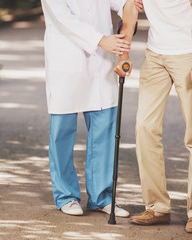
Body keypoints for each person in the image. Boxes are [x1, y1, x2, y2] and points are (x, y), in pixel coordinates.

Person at [115, 0, 192, 234]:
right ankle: (157, 207)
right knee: (145, 128)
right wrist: (123, 55)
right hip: (155, 56)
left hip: (189, 55)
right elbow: (130, 12)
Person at [41, 0, 138, 217]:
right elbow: (62, 17)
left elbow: (125, 5)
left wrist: (129, 8)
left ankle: (102, 197)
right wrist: (100, 40)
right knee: (62, 132)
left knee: (104, 128)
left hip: (102, 62)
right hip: (66, 59)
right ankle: (66, 196)